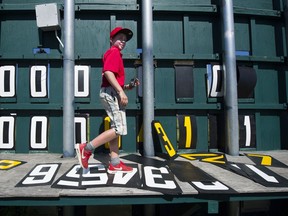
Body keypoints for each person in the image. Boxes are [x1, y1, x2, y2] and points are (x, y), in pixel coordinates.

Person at [75, 26, 139, 173]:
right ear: (111, 40)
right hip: (111, 94)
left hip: (110, 93)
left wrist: (128, 86)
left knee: (115, 129)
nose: (123, 41)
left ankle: (115, 162)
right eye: (120, 38)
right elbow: (108, 73)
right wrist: (120, 91)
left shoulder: (114, 53)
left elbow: (113, 79)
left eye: (125, 40)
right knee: (119, 128)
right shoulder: (114, 52)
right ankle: (86, 148)